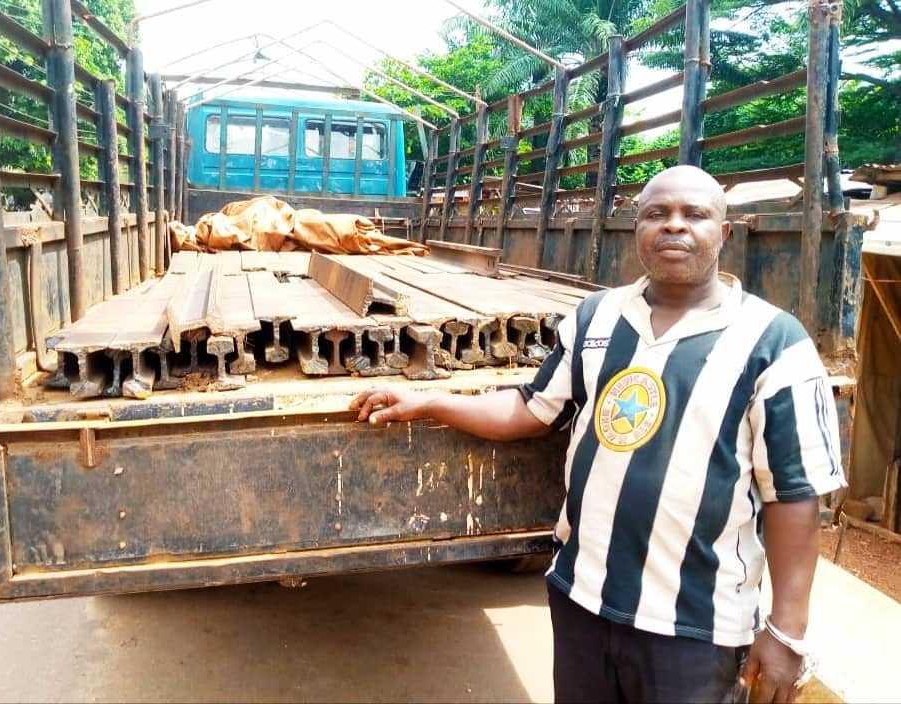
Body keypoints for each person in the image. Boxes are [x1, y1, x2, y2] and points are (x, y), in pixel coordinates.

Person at [350, 165, 845, 704]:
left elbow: (793, 495)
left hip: (695, 628)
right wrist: (428, 402)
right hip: (582, 600)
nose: (674, 225)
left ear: (723, 233)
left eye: (694, 214)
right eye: (657, 214)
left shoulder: (773, 342)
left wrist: (786, 631)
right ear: (637, 230)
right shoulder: (597, 317)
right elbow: (528, 409)